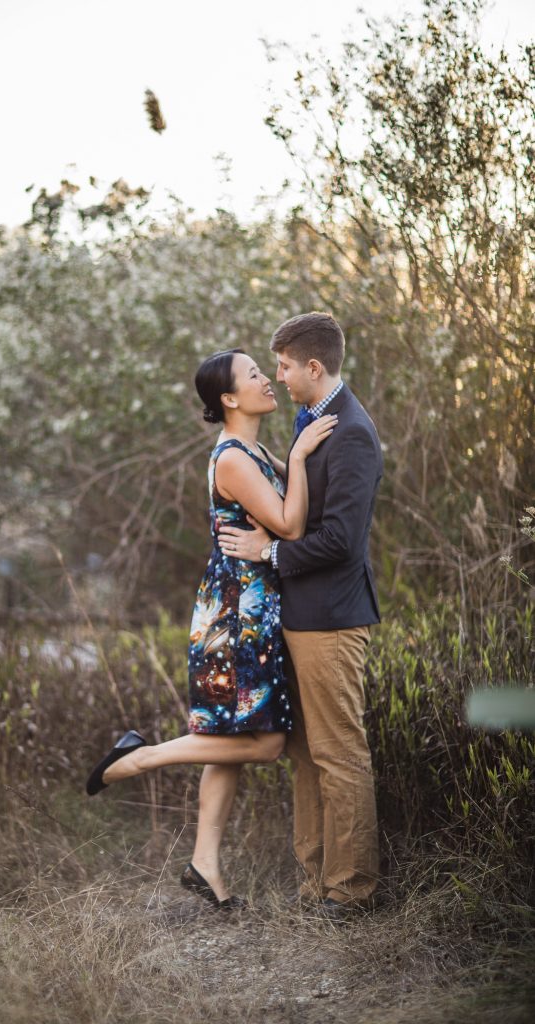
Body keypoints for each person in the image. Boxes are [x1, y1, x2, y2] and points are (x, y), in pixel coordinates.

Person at [86, 348, 336, 910]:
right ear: (228, 398)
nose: (267, 381)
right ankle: (138, 759)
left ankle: (204, 864)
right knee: (266, 745)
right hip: (236, 614)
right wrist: (298, 461)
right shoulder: (233, 459)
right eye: (253, 375)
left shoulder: (253, 449)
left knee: (226, 742)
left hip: (246, 607)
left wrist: (290, 458)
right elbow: (291, 524)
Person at [218, 313, 383, 920]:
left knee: (340, 752)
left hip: (334, 619)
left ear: (314, 367)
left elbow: (341, 539)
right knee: (305, 753)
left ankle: (353, 889)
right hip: (301, 615)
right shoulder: (312, 420)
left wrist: (271, 551)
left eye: (283, 367)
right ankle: (315, 881)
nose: (279, 377)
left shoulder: (354, 435)